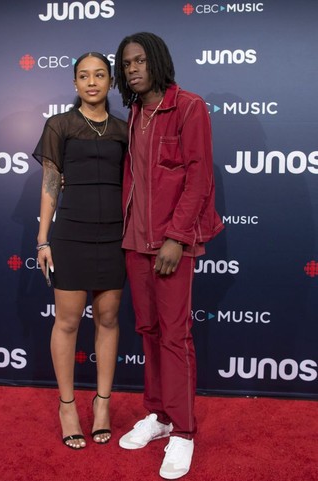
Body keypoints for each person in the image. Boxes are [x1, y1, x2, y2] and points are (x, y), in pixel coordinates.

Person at [114, 32, 224, 479]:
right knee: (148, 330)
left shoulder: (189, 106)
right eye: (127, 64)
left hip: (171, 242)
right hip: (134, 243)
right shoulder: (135, 111)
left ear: (157, 61)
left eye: (140, 61)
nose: (133, 69)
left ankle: (183, 432)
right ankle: (157, 416)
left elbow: (199, 177)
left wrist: (177, 237)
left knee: (175, 336)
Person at [33, 52, 128, 449]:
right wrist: (43, 239)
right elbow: (51, 182)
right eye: (84, 76)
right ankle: (68, 406)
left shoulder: (125, 130)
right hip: (71, 234)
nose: (92, 82)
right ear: (75, 84)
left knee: (107, 319)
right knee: (68, 322)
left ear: (110, 82)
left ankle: (102, 405)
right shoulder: (61, 125)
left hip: (115, 238)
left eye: (100, 75)